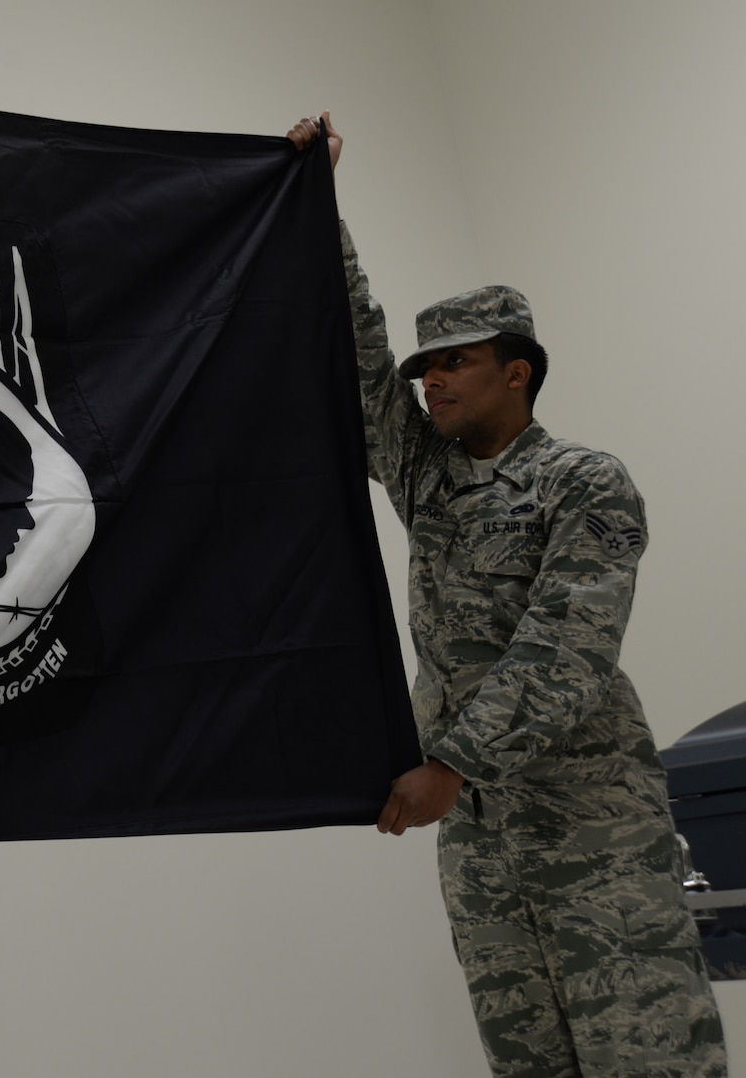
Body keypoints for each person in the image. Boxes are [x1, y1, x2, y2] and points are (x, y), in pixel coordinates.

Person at [289, 113, 725, 1077]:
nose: (431, 380)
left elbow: (568, 643)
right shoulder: (428, 475)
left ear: (515, 370)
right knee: (528, 1062)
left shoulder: (585, 481)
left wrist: (451, 761)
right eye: (428, 367)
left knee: (647, 1058)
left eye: (455, 362)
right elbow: (361, 365)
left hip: (592, 827)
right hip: (485, 847)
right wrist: (317, 202)